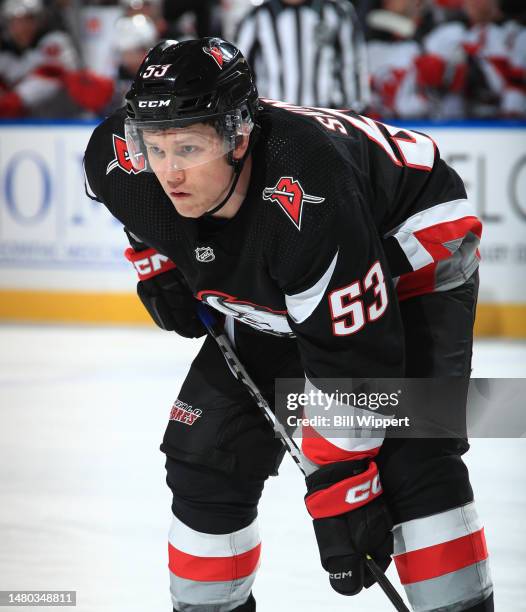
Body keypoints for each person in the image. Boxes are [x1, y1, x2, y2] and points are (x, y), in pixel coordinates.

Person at [83, 38, 494, 611]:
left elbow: (356, 358)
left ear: (239, 137)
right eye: (155, 147)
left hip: (412, 250)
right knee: (206, 453)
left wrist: (343, 482)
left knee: (410, 454)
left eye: (189, 147)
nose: (169, 172)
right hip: (299, 271)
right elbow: (127, 203)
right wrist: (155, 263)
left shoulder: (309, 190)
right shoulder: (122, 164)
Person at [235, 0, 369, 111]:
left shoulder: (337, 12)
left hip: (327, 117)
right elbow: (238, 69)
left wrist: (356, 109)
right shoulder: (257, 16)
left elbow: (353, 65)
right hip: (274, 118)